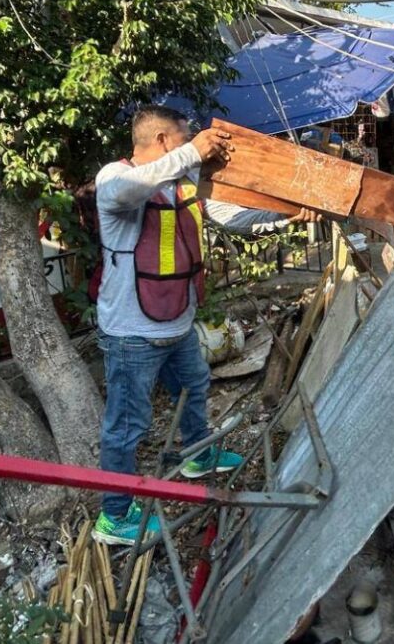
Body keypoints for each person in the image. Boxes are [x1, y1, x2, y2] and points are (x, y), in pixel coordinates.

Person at [92, 105, 317, 546]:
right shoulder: (114, 179)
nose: (195, 145)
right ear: (161, 141)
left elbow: (230, 217)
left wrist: (284, 217)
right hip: (132, 333)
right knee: (127, 426)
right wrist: (193, 152)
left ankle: (197, 457)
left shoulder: (181, 182)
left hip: (176, 322)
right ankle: (114, 516)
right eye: (185, 138)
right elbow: (127, 190)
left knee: (194, 386)